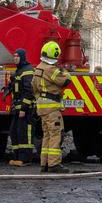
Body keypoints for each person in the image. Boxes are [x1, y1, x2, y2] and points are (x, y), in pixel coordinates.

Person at [32, 41, 71, 173]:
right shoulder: (51, 70)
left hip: (42, 107)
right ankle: (54, 164)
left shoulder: (38, 68)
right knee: (56, 134)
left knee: (47, 135)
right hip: (52, 108)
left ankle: (44, 164)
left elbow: (34, 88)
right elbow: (65, 81)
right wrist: (66, 71)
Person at [7, 48, 36, 167]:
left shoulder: (28, 71)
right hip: (17, 109)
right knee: (14, 131)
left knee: (25, 133)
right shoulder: (19, 70)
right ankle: (17, 156)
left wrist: (24, 108)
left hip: (26, 110)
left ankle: (26, 158)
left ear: (22, 57)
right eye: (14, 56)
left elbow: (29, 91)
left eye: (17, 56)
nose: (15, 58)